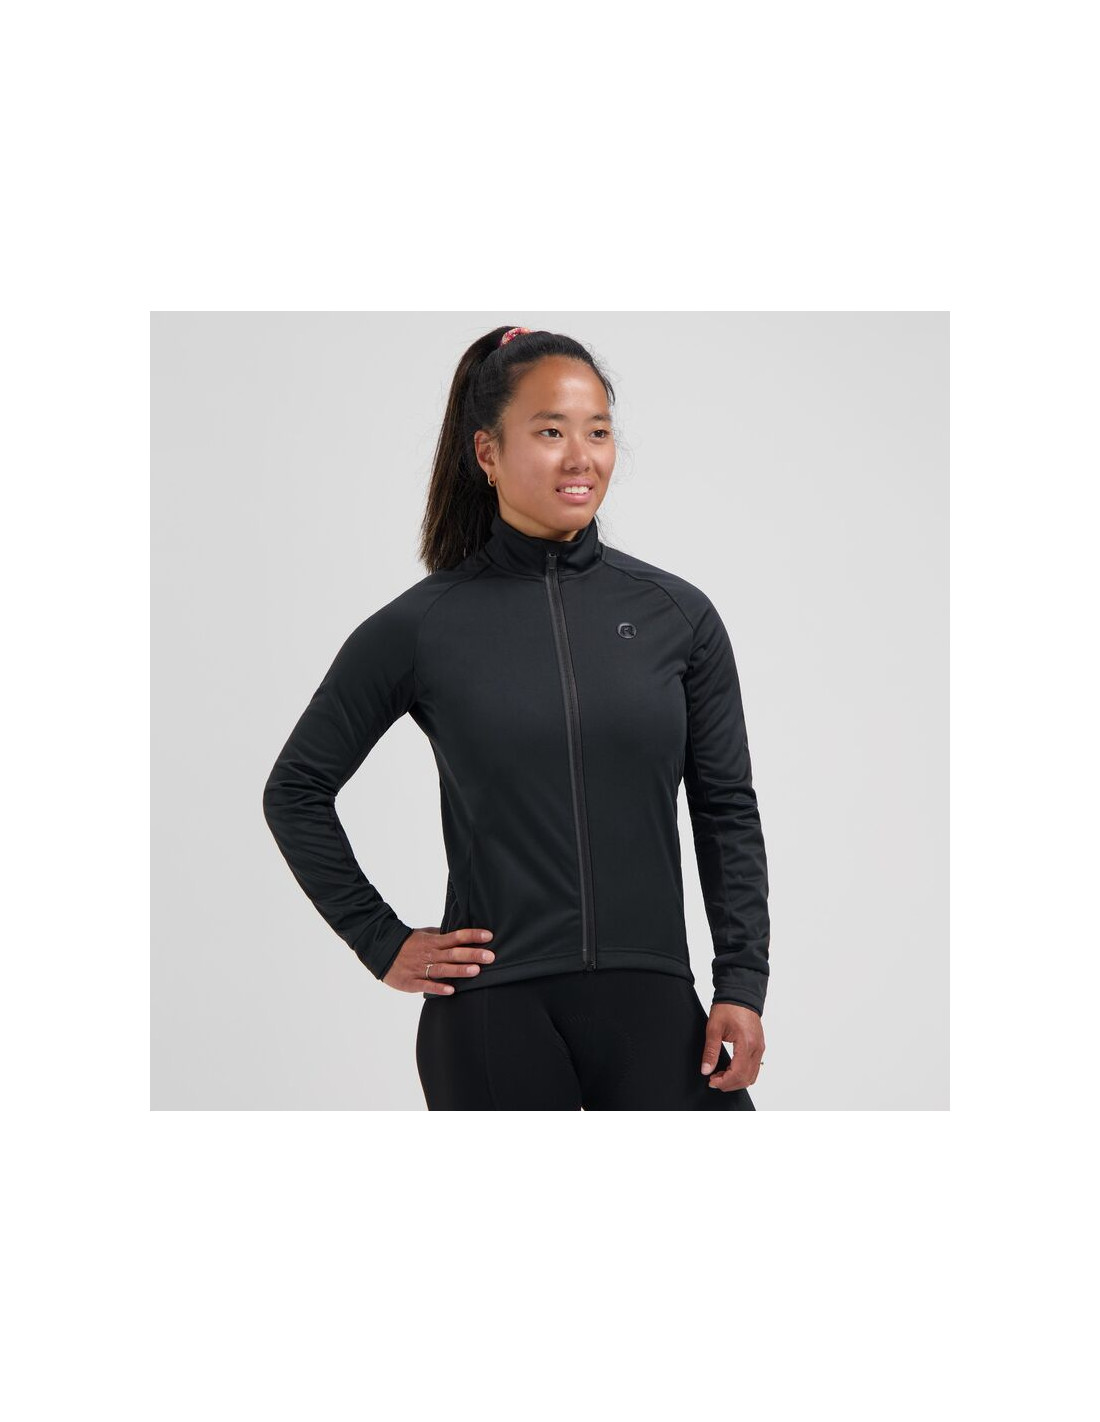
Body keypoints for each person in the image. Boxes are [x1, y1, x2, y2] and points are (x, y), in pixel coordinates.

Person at [262, 325, 771, 1110]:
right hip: (495, 1015)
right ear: (487, 453)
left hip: (655, 1007)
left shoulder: (677, 616)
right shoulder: (423, 626)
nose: (581, 457)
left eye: (598, 431)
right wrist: (380, 939)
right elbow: (295, 790)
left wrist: (741, 981)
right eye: (551, 432)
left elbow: (725, 807)